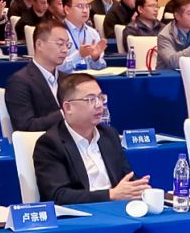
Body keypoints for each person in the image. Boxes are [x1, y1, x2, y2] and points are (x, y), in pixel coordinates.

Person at [33, 72, 150, 205]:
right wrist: (110, 195)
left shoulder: (109, 135)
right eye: (90, 100)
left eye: (100, 98)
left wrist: (140, 188)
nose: (99, 105)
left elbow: (126, 177)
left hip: (116, 209)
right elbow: (58, 195)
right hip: (80, 213)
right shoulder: (50, 144)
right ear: (68, 107)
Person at [2, 24, 71, 133]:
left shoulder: (67, 79)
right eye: (60, 44)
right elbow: (25, 126)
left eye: (67, 44)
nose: (65, 50)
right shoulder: (19, 82)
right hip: (42, 142)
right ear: (39, 44)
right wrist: (64, 113)